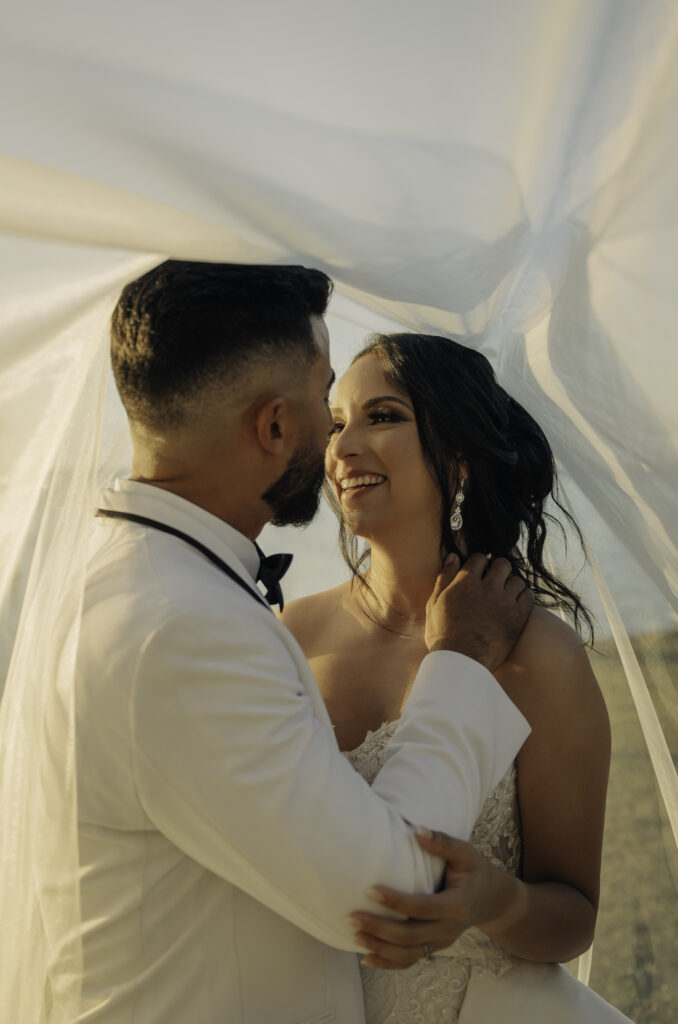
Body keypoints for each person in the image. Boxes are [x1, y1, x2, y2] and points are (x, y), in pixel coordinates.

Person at [60, 260, 534, 1024]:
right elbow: (396, 892)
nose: (337, 442)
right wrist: (458, 665)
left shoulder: (110, 588)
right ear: (276, 426)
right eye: (327, 405)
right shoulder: (188, 630)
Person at [282, 332, 634, 1023]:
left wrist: (493, 901)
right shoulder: (293, 635)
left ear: (462, 458)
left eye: (382, 416)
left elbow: (574, 915)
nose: (344, 447)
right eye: (335, 424)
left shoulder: (539, 656)